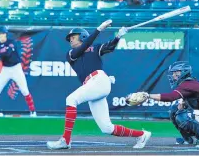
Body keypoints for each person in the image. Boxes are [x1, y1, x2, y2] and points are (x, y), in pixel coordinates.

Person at [46, 20, 151, 150]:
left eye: (73, 37)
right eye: (70, 39)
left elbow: (110, 46)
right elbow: (84, 47)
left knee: (71, 99)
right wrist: (99, 29)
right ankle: (142, 135)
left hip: (99, 80)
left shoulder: (94, 48)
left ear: (82, 36)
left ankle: (65, 140)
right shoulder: (70, 54)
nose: (71, 40)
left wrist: (118, 36)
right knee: (107, 128)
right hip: (92, 85)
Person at [141, 61, 199, 148]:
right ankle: (189, 139)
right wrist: (184, 104)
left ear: (184, 72)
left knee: (182, 116)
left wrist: (148, 96)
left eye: (176, 72)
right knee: (174, 110)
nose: (173, 75)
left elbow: (171, 97)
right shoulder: (188, 83)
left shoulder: (189, 83)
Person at [0, 25, 37, 117]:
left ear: (6, 34)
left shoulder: (11, 42)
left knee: (25, 90)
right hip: (6, 70)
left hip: (16, 69)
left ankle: (33, 111)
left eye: (3, 34)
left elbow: (7, 54)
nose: (1, 35)